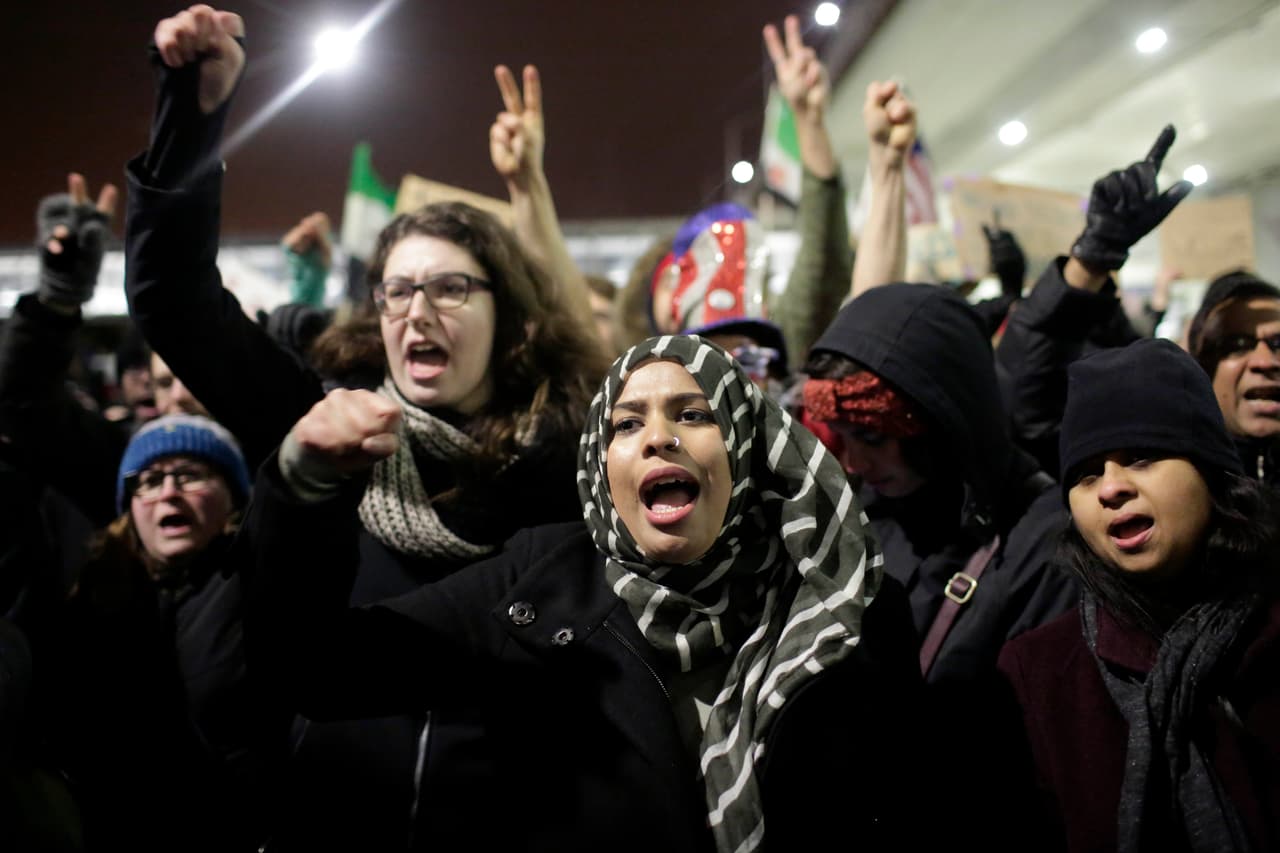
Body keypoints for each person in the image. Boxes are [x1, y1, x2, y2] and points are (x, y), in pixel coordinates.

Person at [127, 7, 609, 848]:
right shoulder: (316, 416)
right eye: (397, 289)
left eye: (452, 289)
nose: (418, 310)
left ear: (509, 314)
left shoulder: (565, 471)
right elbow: (172, 299)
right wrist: (192, 115)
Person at [241, 334, 923, 852]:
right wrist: (303, 488)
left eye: (693, 414)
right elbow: (318, 668)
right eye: (627, 424)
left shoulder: (847, 603)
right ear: (604, 464)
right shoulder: (539, 580)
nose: (658, 437)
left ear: (748, 446)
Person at [998, 338, 1280, 852]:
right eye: (1086, 475)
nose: (1110, 488)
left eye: (1141, 457)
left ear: (1212, 474)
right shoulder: (1039, 671)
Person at [3, 414, 279, 853]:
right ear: (129, 505)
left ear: (234, 498)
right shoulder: (89, 598)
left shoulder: (260, 580)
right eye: (149, 480)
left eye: (190, 475)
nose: (168, 491)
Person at [995, 126, 1193, 475]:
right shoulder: (1084, 365)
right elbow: (1031, 396)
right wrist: (1093, 258)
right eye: (1236, 342)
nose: (1263, 360)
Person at [1185, 270, 1280, 485]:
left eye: (1279, 344)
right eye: (1237, 345)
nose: (1264, 362)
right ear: (1201, 368)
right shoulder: (1184, 487)